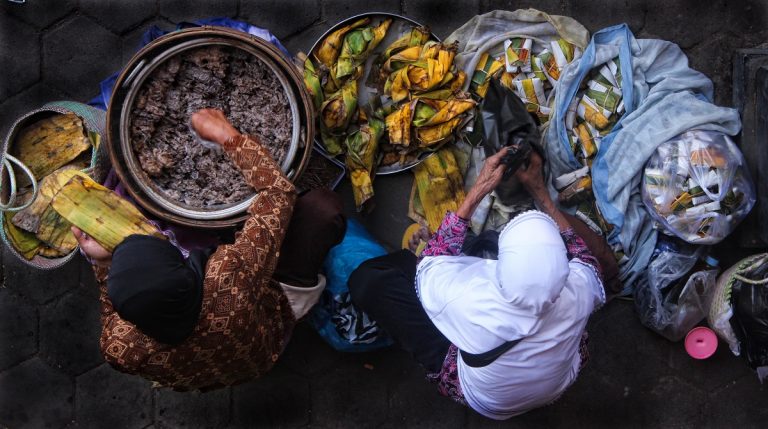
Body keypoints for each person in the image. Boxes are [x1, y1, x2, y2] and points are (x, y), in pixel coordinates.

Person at [75, 108, 346, 391]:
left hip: (219, 369)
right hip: (265, 329)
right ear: (185, 271)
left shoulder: (119, 348)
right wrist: (227, 136)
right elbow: (278, 195)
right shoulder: (228, 278)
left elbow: (112, 308)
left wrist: (103, 266)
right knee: (323, 210)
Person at [348, 149, 619, 419]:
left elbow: (432, 260)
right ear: (562, 267)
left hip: (484, 396)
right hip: (554, 383)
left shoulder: (465, 300)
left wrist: (481, 187)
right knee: (485, 246)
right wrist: (539, 190)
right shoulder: (581, 289)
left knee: (369, 281)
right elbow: (582, 254)